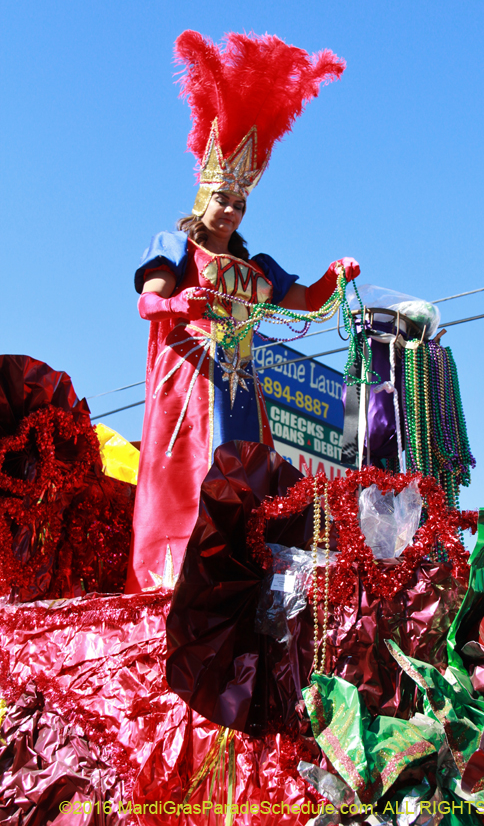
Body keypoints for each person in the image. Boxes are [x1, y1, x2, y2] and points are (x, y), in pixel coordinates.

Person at [124, 32, 359, 593]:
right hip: (187, 384)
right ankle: (171, 579)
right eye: (223, 198)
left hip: (240, 388)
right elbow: (146, 302)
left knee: (244, 476)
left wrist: (336, 275)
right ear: (204, 196)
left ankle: (238, 574)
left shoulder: (256, 268)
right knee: (189, 477)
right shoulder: (175, 246)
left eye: (240, 201)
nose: (231, 209)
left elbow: (307, 302)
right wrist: (180, 301)